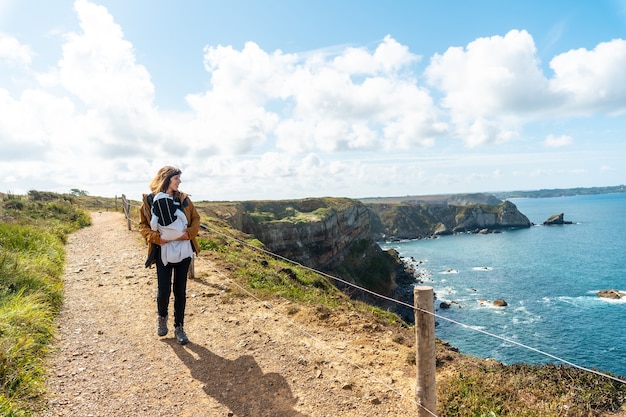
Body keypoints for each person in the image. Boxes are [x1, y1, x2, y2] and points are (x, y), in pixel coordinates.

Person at [139, 166, 200, 345]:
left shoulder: (184, 199)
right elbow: (143, 226)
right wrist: (157, 238)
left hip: (184, 250)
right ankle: (162, 317)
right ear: (166, 179)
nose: (179, 182)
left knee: (180, 291)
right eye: (176, 179)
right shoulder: (150, 201)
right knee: (164, 289)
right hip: (162, 251)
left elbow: (196, 219)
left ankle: (179, 327)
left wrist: (188, 234)